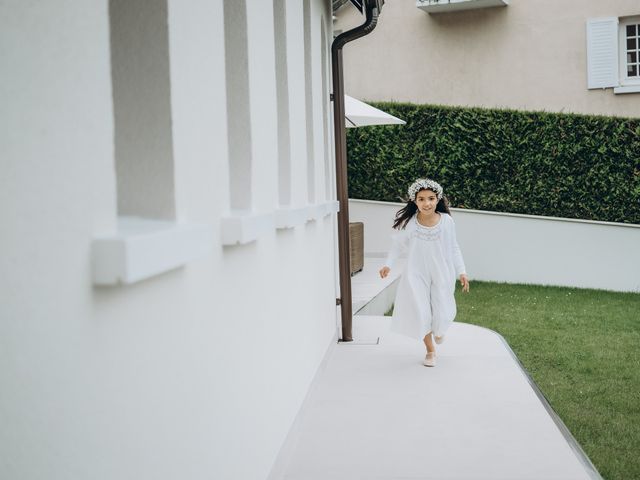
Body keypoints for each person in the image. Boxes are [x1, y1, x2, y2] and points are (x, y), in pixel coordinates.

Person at [379, 178, 469, 367]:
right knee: (421, 312)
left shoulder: (447, 222)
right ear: (414, 201)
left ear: (438, 199)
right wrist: (389, 264)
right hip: (416, 273)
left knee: (441, 310)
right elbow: (398, 246)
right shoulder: (410, 223)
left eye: (431, 198)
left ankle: (439, 329)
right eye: (421, 199)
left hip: (441, 272)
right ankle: (430, 350)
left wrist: (462, 271)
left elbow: (454, 247)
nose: (426, 203)